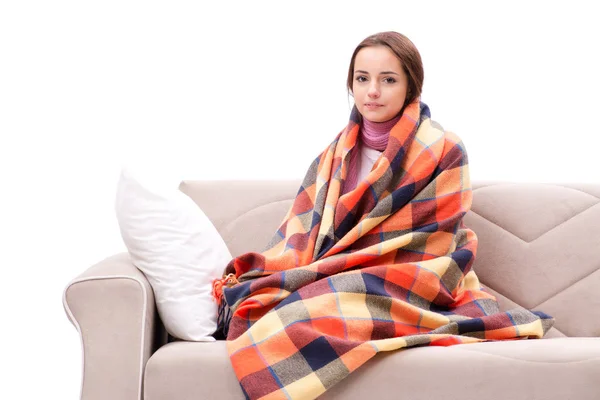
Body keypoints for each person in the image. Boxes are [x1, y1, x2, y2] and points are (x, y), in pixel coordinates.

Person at [212, 31, 553, 400]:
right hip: (341, 272)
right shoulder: (333, 156)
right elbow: (306, 231)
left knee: (313, 308)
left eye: (387, 80)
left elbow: (434, 236)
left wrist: (348, 272)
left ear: (410, 86)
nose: (372, 91)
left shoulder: (443, 148)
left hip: (415, 274)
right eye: (362, 79)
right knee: (268, 302)